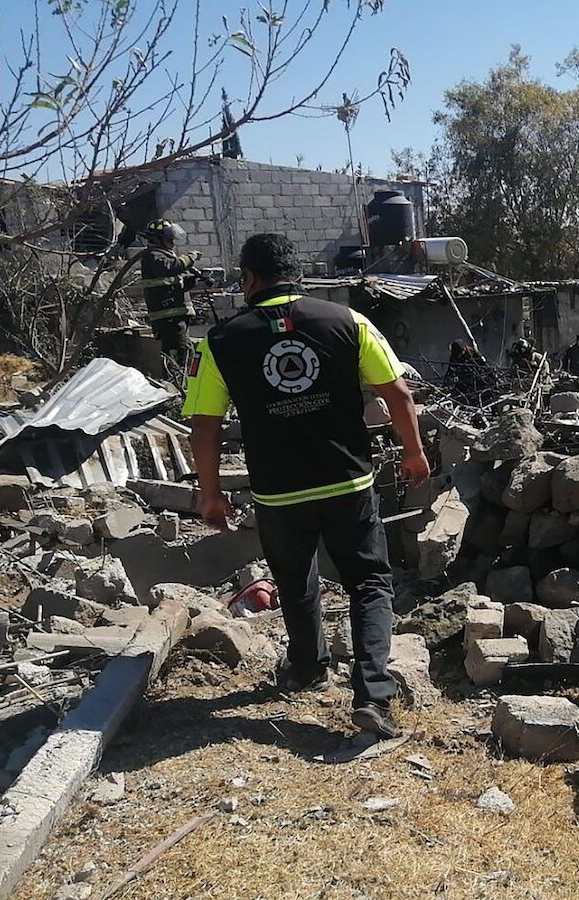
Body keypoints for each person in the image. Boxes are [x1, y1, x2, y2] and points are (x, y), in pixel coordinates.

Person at [182, 233, 430, 739]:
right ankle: (373, 696)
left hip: (278, 491)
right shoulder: (348, 322)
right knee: (369, 582)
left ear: (249, 278)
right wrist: (414, 451)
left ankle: (308, 667)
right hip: (348, 482)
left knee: (295, 583)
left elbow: (204, 427)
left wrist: (209, 493)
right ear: (295, 272)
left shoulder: (221, 341)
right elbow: (398, 392)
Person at [139, 219, 203, 366]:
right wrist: (190, 257)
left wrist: (191, 280)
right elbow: (172, 267)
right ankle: (178, 385)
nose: (173, 243)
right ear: (157, 239)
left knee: (184, 353)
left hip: (175, 318)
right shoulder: (152, 255)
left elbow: (171, 284)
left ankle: (180, 384)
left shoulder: (164, 255)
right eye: (169, 239)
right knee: (180, 356)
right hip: (168, 319)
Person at [444, 339, 496, 405]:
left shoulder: (472, 352)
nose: (460, 355)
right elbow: (451, 369)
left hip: (475, 376)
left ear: (464, 349)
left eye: (462, 352)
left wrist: (489, 373)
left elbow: (483, 364)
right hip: (463, 378)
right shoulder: (454, 355)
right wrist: (448, 381)